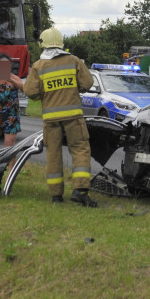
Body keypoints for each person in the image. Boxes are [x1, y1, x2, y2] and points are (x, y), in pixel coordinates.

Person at [23, 28, 97, 206]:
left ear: (43, 44)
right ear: (61, 43)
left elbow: (30, 92)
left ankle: (56, 196)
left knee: (53, 154)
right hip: (73, 117)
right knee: (80, 150)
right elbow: (87, 83)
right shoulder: (73, 60)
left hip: (51, 119)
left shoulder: (39, 66)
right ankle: (80, 191)